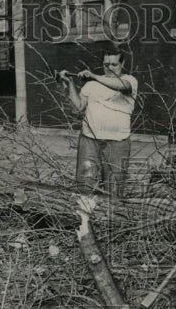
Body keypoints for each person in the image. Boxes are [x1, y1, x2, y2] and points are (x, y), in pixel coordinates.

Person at [59, 45, 138, 198]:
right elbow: (77, 109)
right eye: (106, 64)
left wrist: (94, 76)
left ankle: (111, 218)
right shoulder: (91, 85)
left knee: (113, 189)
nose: (109, 68)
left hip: (118, 142)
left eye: (114, 64)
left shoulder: (129, 80)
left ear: (122, 64)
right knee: (85, 185)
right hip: (89, 141)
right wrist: (69, 83)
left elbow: (123, 87)